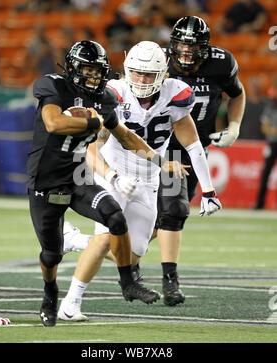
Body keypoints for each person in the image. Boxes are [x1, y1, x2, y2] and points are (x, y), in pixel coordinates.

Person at [60, 40, 222, 320]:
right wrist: (111, 176)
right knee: (104, 239)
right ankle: (71, 304)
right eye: (136, 72)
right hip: (113, 172)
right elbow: (92, 149)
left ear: (162, 74)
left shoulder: (176, 95)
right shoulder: (113, 94)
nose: (141, 79)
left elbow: (194, 145)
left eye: (148, 74)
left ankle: (74, 240)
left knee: (132, 254)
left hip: (148, 179)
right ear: (126, 70)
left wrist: (208, 190)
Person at [28, 40, 184, 326]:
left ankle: (128, 282)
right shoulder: (52, 86)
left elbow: (125, 136)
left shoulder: (104, 99)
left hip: (78, 179)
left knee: (115, 215)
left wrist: (161, 162)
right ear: (73, 68)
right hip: (46, 183)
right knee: (50, 255)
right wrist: (92, 123)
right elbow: (53, 123)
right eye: (88, 70)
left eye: (98, 71)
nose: (94, 77)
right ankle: (50, 292)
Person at [152, 16, 245, 305]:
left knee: (156, 224)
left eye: (192, 47)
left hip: (196, 148)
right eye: (181, 45)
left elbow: (237, 94)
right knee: (173, 210)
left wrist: (234, 126)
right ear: (172, 43)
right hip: (162, 146)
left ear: (205, 47)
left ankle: (107, 252)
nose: (186, 52)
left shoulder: (221, 63)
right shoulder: (157, 61)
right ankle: (170, 282)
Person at [254, 75, 277, 209]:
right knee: (266, 173)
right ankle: (259, 203)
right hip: (272, 143)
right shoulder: (271, 106)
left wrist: (272, 129)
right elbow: (264, 126)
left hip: (273, 140)